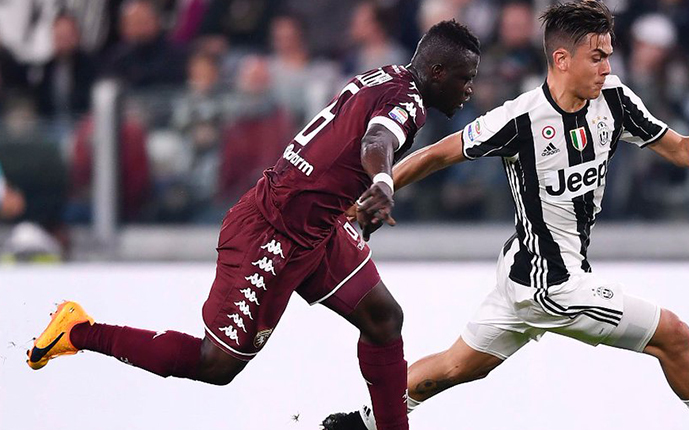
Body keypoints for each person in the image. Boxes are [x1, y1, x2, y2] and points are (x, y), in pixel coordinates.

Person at [326, 3, 689, 430]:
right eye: (597, 57)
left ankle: (361, 424)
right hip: (550, 284)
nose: (607, 66)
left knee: (456, 367)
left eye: (609, 55)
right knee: (673, 335)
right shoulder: (519, 118)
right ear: (562, 59)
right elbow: (435, 154)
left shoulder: (615, 99)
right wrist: (374, 190)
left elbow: (679, 147)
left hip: (522, 271)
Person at [26, 20, 480, 430]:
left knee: (383, 319)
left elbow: (348, 144)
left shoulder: (388, 75)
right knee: (215, 365)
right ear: (437, 72)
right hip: (272, 233)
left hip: (317, 229)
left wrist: (357, 199)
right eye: (465, 78)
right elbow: (376, 140)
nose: (469, 90)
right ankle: (78, 331)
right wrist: (381, 180)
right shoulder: (407, 101)